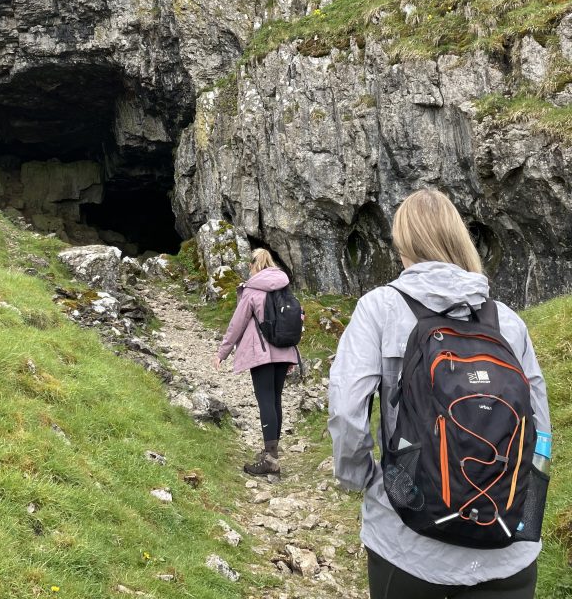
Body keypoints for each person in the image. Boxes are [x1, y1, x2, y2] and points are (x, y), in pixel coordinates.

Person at [328, 188, 551, 598]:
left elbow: (346, 411)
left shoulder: (379, 308)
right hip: (509, 554)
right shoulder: (507, 322)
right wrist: (524, 510)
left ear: (404, 245)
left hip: (410, 548)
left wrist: (361, 479)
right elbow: (540, 428)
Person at [213, 247, 299, 475]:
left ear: (253, 265)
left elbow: (237, 324)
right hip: (284, 351)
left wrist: (222, 352)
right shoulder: (285, 286)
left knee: (265, 401)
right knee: (276, 401)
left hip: (262, 355)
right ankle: (272, 453)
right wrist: (292, 353)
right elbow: (292, 320)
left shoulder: (252, 290)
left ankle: (270, 459)